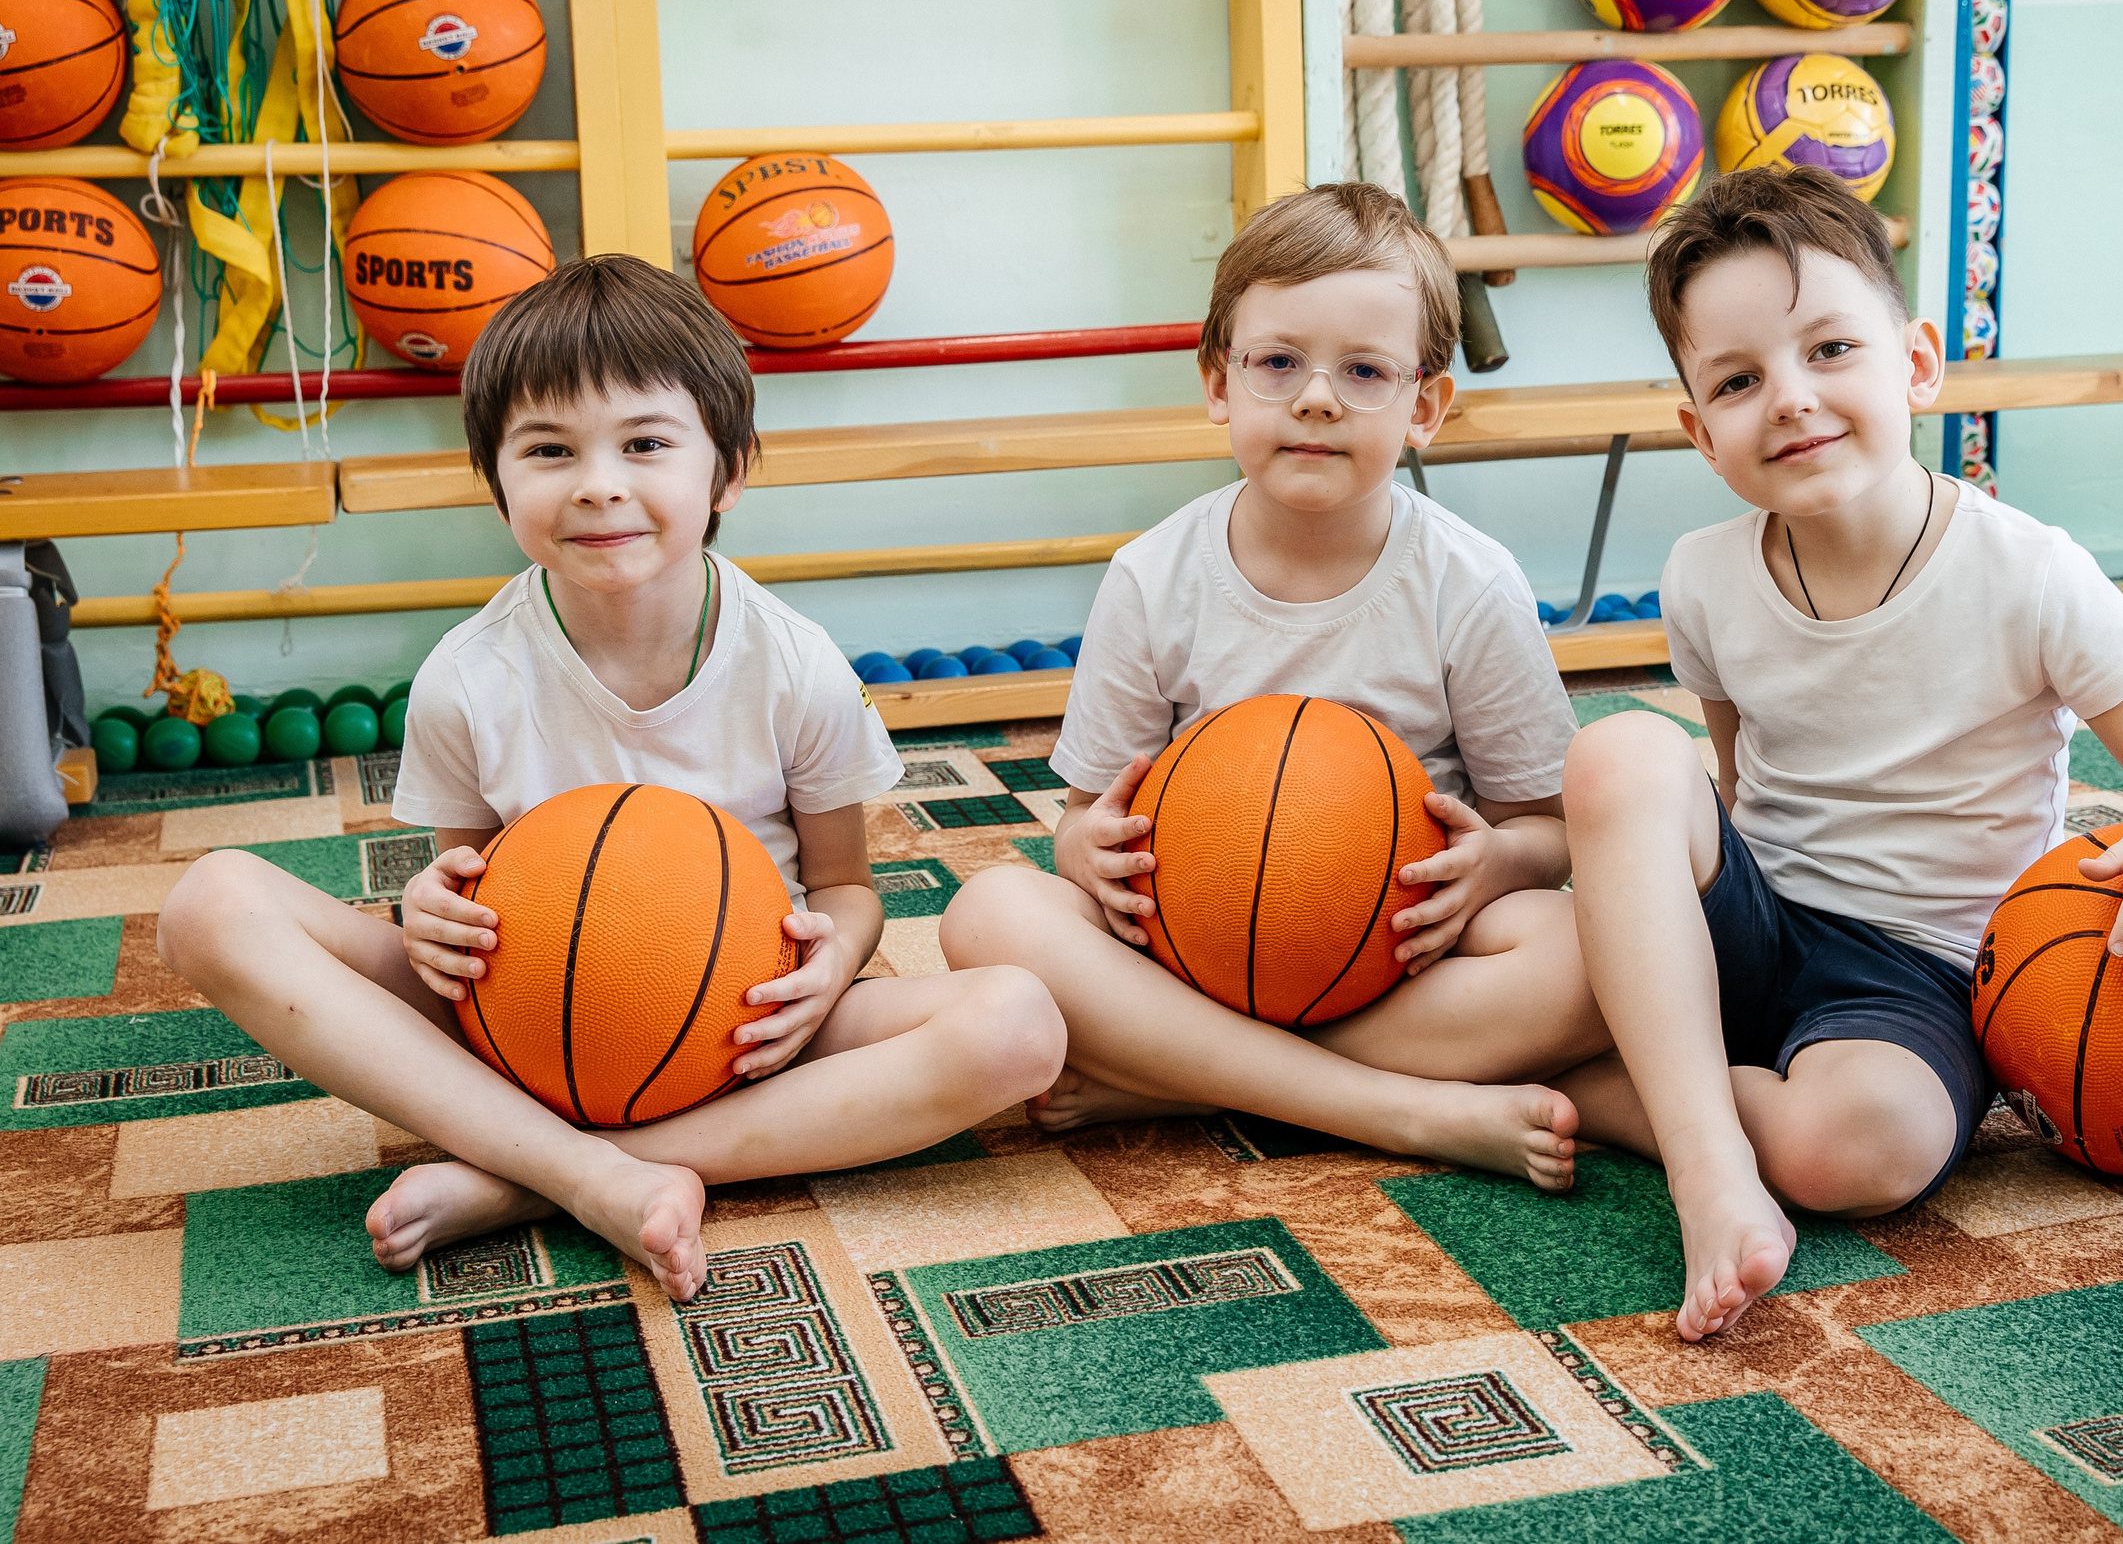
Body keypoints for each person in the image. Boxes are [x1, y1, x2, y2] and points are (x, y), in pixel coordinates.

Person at [158, 256, 1065, 1302]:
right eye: (549, 449)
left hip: (742, 1026)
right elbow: (460, 885)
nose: (598, 482)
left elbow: (846, 890)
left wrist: (831, 967)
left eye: (644, 444)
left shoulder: (793, 660)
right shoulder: (467, 676)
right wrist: (423, 909)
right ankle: (588, 1169)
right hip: (526, 1023)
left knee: (1018, 1025)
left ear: (724, 472)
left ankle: (538, 1177)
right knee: (208, 900)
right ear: (497, 482)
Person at [1556, 166, 2123, 1340]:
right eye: (1738, 380)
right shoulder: (1702, 575)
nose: (1789, 398)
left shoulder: (2029, 573)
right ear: (1698, 429)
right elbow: (1734, 792)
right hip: (1763, 917)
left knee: (1862, 1150)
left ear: (1917, 363)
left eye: (1829, 349)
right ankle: (1706, 1168)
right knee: (1621, 755)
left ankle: (1613, 1089)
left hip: (1924, 969)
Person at [938, 183, 1601, 1187]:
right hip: (1189, 948)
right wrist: (1086, 849)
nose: (1317, 397)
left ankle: (1181, 1079)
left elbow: (1546, 831)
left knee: (1591, 954)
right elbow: (1079, 822)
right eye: (1278, 362)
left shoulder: (1468, 582)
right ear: (1218, 383)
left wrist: (1494, 866)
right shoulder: (1152, 575)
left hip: (1391, 962)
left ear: (1425, 406)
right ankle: (1399, 1111)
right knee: (986, 910)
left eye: (1365, 370)